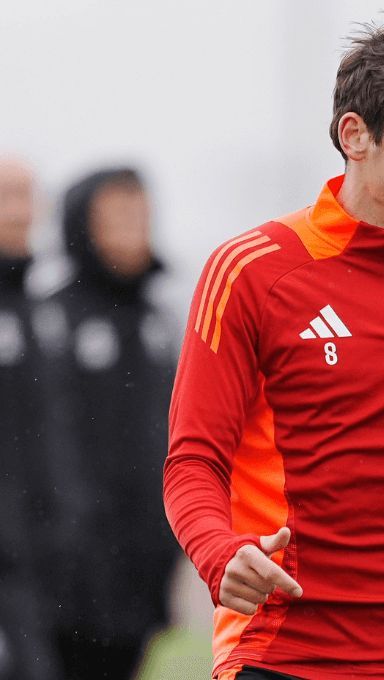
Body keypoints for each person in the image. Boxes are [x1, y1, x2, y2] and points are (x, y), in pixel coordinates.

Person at [163, 19, 384, 680]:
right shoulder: (253, 271)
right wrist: (220, 552)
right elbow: (193, 459)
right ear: (355, 136)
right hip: (288, 646)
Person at [34, 167, 180, 679]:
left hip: (142, 564)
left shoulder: (160, 322)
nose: (132, 227)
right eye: (115, 215)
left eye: (140, 214)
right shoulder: (48, 322)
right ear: (81, 224)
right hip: (62, 575)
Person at [0, 157, 61, 680]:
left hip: (40, 565)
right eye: (6, 196)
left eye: (27, 196)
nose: (20, 212)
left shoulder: (40, 311)